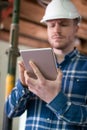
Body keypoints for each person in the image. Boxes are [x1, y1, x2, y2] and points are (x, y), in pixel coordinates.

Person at [5, 0, 87, 130]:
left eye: (63, 24)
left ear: (76, 27)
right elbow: (10, 112)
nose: (57, 30)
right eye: (51, 25)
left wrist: (55, 100)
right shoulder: (34, 64)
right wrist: (23, 86)